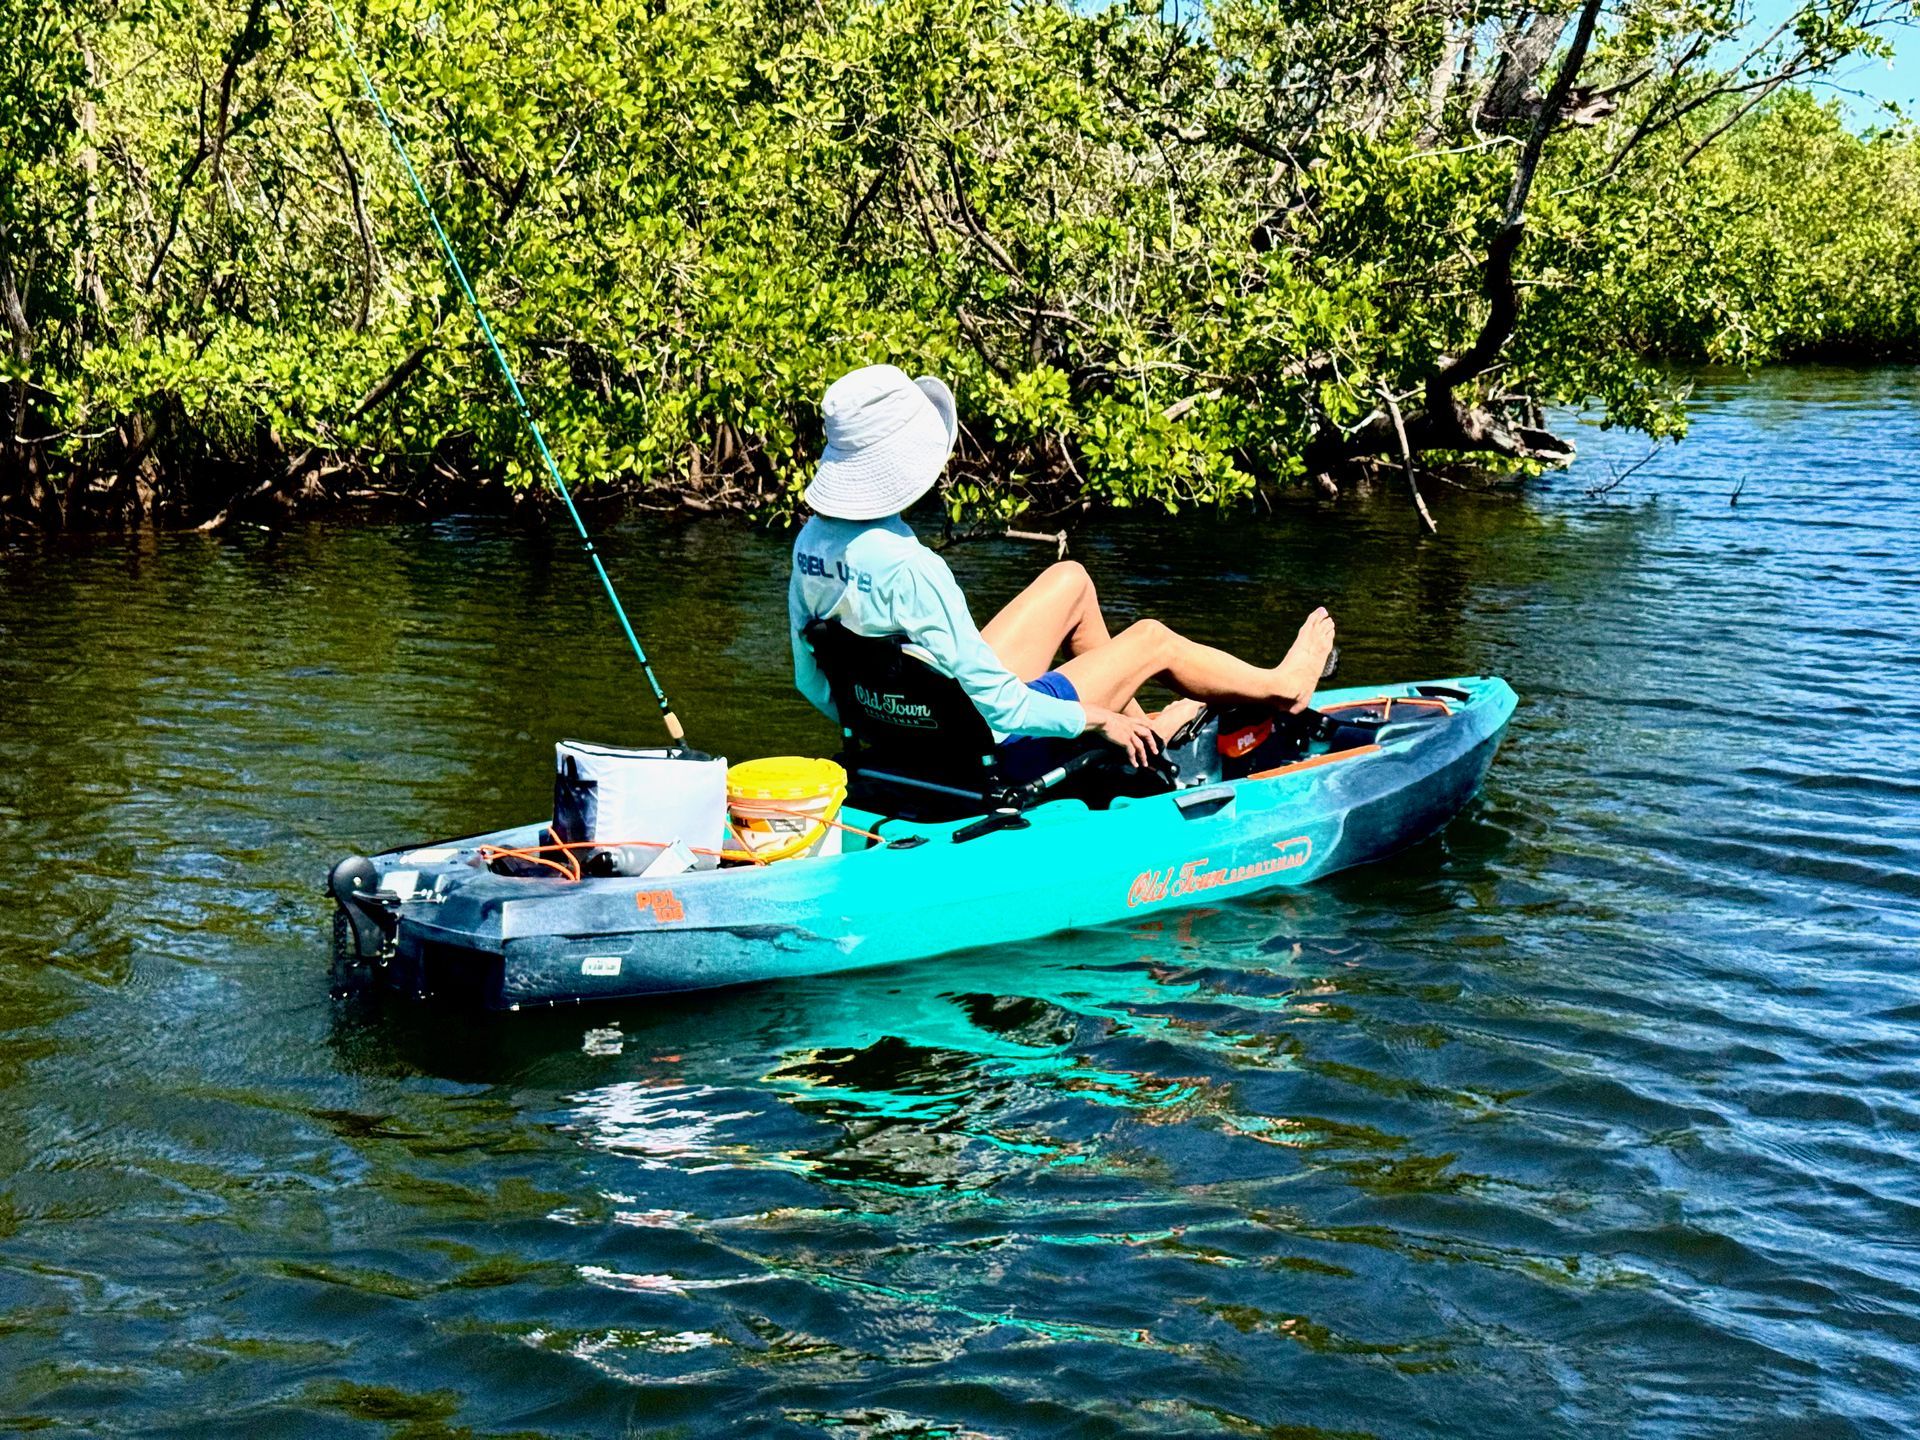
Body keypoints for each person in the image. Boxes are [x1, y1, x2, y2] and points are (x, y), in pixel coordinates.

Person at [788, 364, 1337, 771]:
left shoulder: (809, 544)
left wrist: (894, 725)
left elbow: (811, 683)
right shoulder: (913, 569)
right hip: (984, 747)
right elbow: (1002, 709)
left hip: (921, 734)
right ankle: (1282, 688)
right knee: (1151, 639)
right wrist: (1098, 720)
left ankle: (1145, 733)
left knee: (1069, 579)